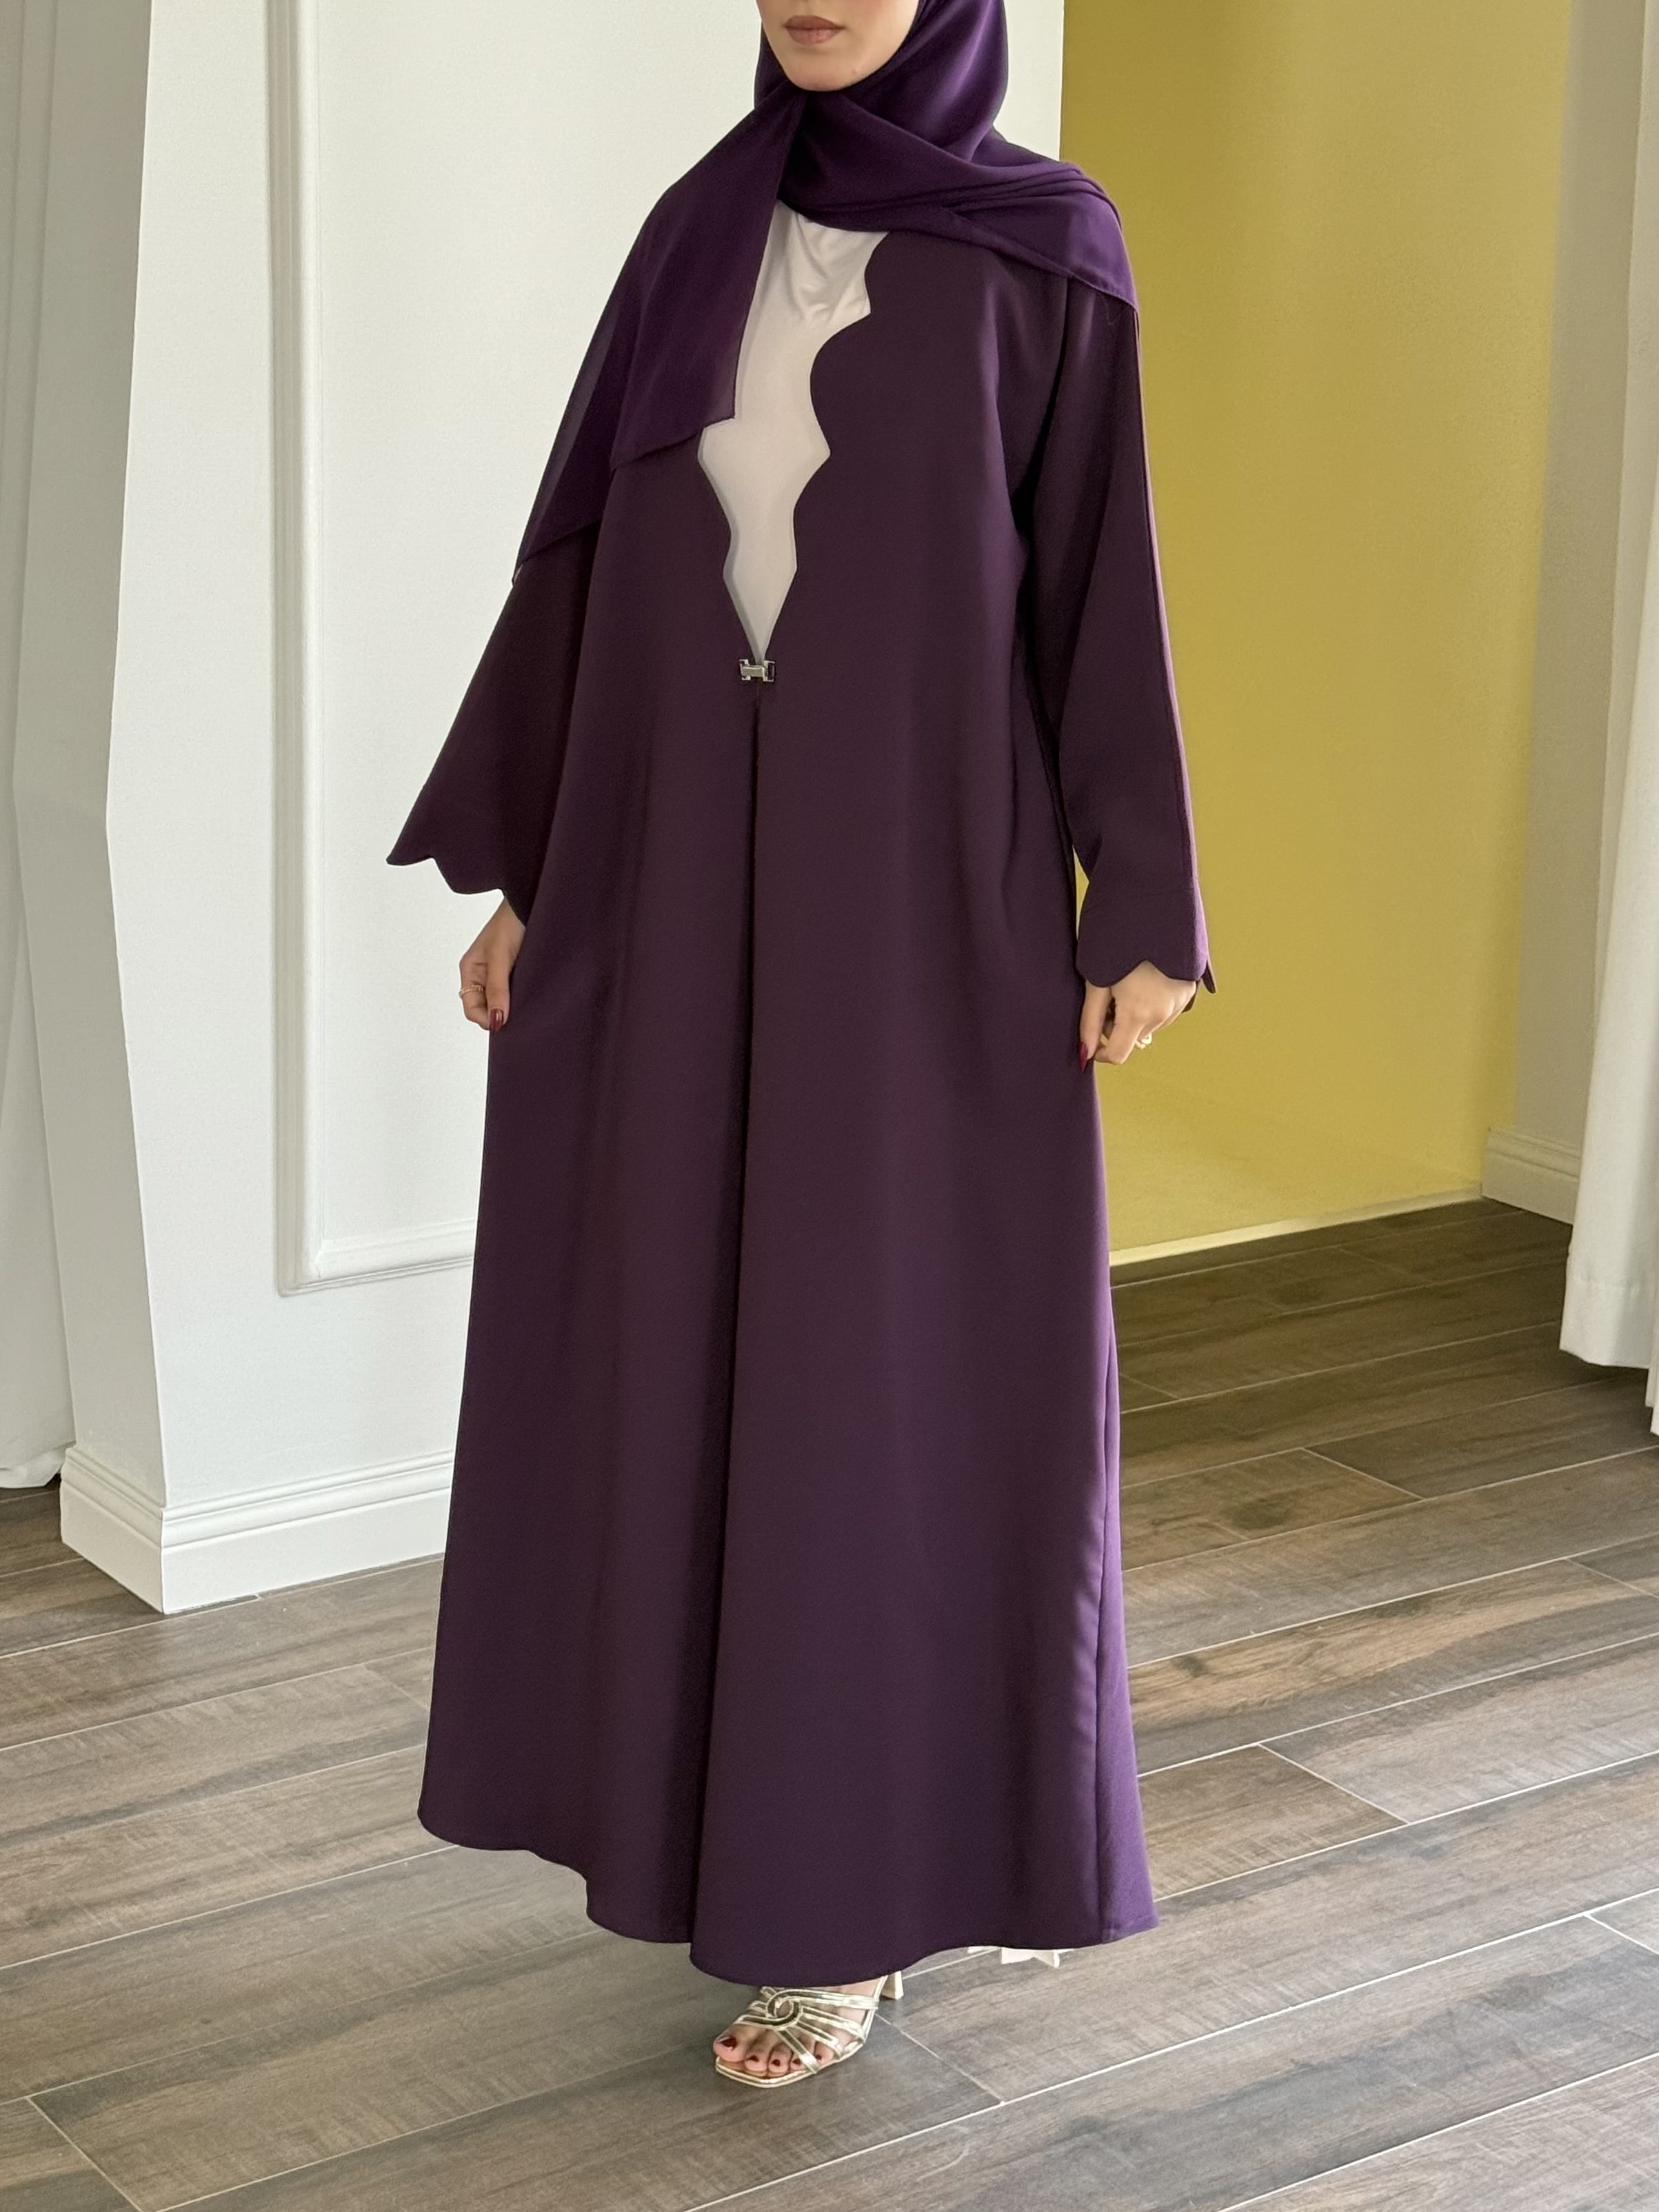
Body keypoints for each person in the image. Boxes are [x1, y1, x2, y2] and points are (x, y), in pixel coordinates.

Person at [389, 0, 1211, 2091]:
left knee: (880, 1391)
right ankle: (711, 1845)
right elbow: (581, 579)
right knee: (670, 1357)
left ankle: (851, 1904)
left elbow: (1101, 581)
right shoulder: (697, 231)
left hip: (928, 899)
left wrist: (1146, 900)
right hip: (674, 881)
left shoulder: (1046, 247)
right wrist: (536, 874)